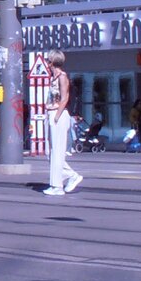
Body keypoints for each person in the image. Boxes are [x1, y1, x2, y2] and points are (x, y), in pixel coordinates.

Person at [43, 49, 81, 196]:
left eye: (47, 60)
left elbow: (65, 98)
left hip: (58, 115)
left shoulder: (62, 77)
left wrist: (56, 117)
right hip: (51, 113)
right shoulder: (54, 77)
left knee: (57, 153)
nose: (46, 63)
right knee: (50, 153)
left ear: (52, 62)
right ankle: (71, 176)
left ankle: (56, 186)